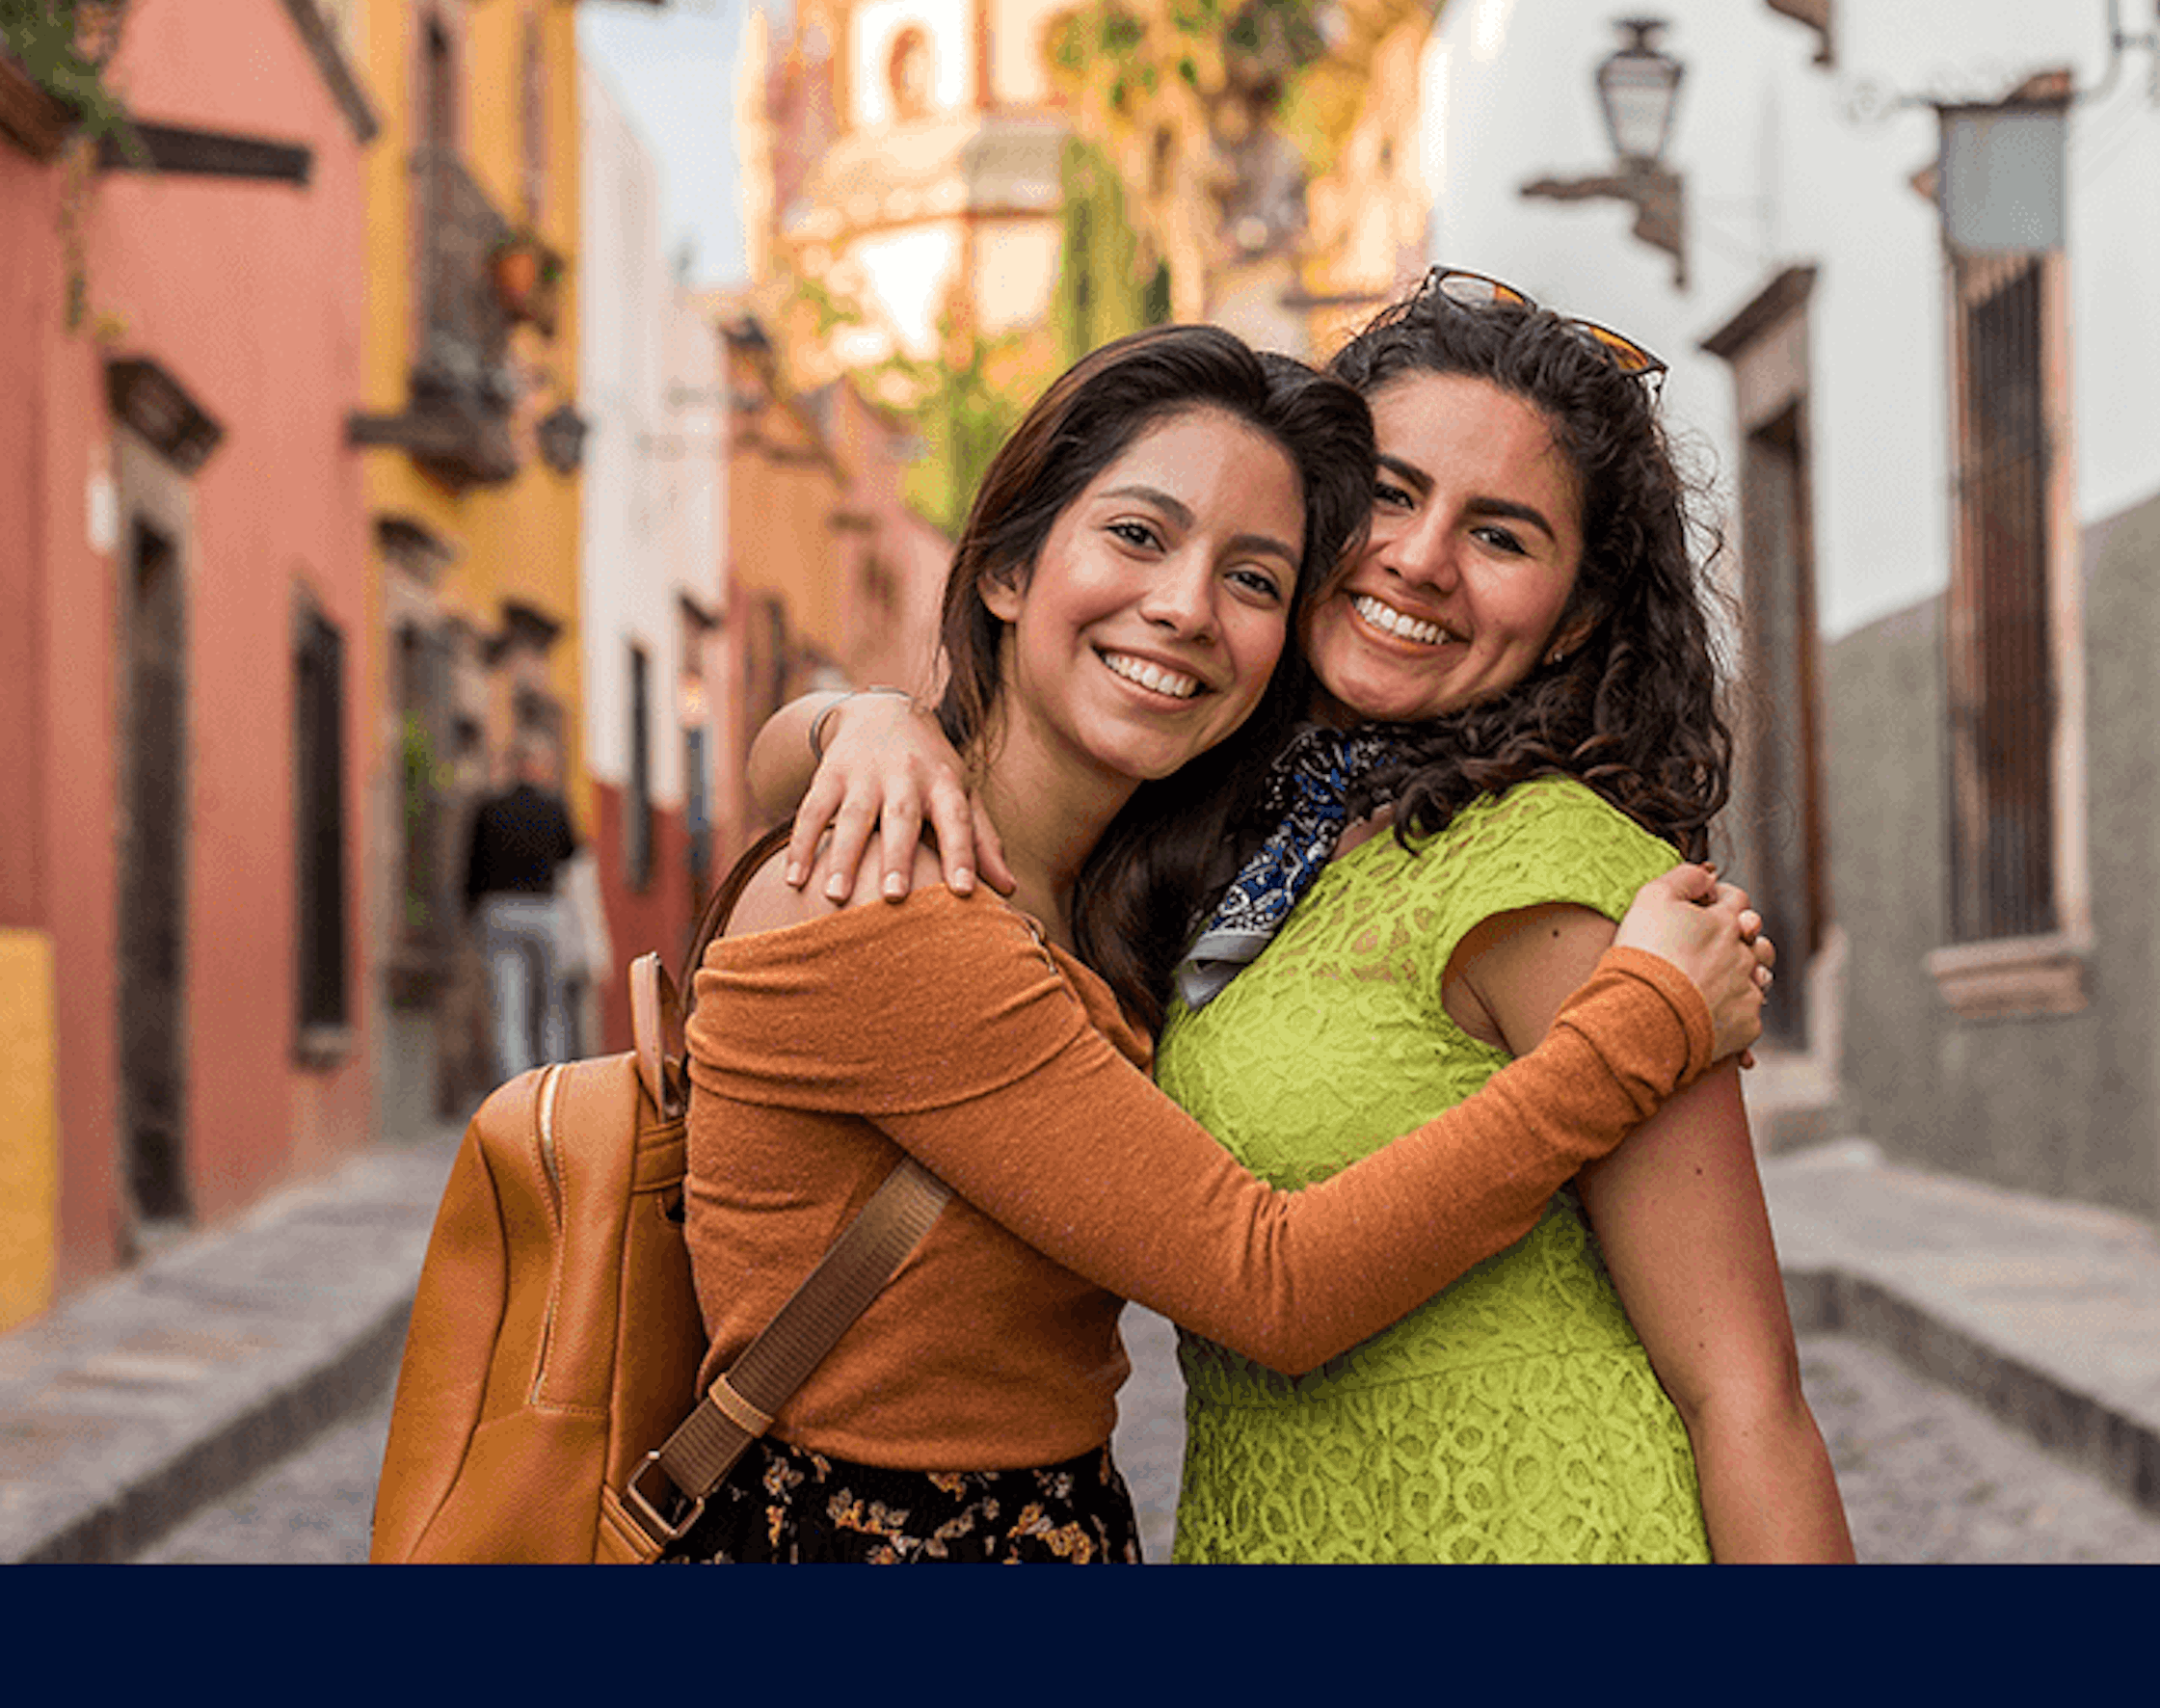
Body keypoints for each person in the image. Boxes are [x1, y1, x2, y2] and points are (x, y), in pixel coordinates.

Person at [759, 267, 1855, 1563]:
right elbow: (794, 779)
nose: (1422, 558)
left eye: (1502, 537)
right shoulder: (1221, 827)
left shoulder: (1548, 871)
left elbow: (1746, 1390)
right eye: (1390, 495)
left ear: (1574, 626)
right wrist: (861, 719)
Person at [460, 734, 579, 1086]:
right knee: (551, 1007)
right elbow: (570, 854)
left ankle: (514, 1093)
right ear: (539, 766)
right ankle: (553, 1087)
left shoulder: (489, 807)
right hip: (545, 911)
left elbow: (472, 866)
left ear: (512, 766)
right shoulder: (554, 807)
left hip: (499, 912)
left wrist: (471, 913)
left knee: (508, 1009)